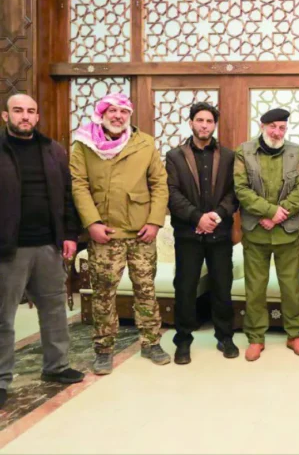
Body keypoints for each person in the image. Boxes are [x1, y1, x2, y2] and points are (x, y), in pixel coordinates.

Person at [70, 93, 170, 374]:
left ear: (129, 115)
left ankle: (151, 343)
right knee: (103, 294)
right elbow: (78, 185)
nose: (117, 116)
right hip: (105, 232)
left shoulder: (145, 143)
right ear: (101, 114)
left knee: (146, 290)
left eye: (123, 111)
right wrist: (92, 223)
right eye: (112, 111)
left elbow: (159, 184)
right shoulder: (84, 144)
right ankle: (103, 349)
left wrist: (154, 222)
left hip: (141, 232)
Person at [0, 94, 84, 409]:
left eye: (31, 111)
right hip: (9, 249)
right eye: (18, 110)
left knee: (54, 310)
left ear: (37, 117)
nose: (25, 116)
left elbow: (67, 195)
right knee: (3, 317)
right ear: (5, 116)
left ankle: (57, 366)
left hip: (49, 245)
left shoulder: (53, 150)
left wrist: (70, 235)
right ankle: (1, 378)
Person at [234, 108, 299, 361]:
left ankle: (295, 334)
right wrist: (268, 212)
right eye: (273, 127)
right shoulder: (244, 152)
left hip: (286, 232)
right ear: (262, 126)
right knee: (255, 288)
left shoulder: (296, 152)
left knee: (291, 287)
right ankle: (256, 337)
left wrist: (279, 214)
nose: (277, 132)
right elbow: (241, 189)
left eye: (282, 128)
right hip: (256, 232)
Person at [165, 102, 238, 364]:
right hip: (188, 235)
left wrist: (215, 216)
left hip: (220, 234)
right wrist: (197, 217)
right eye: (200, 120)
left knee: (222, 287)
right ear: (191, 123)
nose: (204, 125)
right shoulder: (175, 156)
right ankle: (183, 340)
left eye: (209, 121)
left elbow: (234, 192)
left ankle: (225, 337)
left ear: (214, 125)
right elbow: (171, 193)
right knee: (185, 288)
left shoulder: (229, 156)